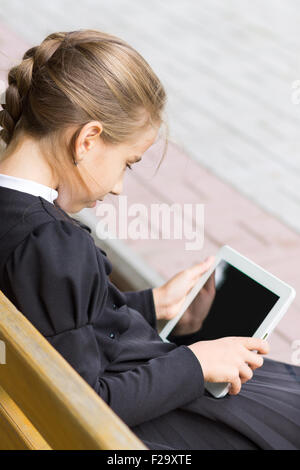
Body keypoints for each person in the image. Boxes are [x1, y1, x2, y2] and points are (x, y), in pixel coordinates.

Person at [0, 29, 299, 450]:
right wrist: (197, 364)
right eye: (129, 163)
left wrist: (154, 304)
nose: (120, 187)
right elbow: (86, 406)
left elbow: (63, 327)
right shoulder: (54, 245)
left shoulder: (22, 225)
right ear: (87, 139)